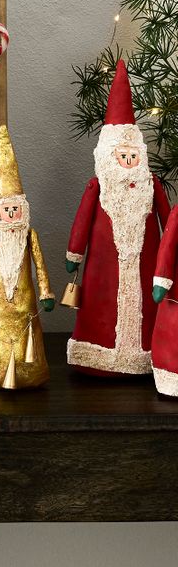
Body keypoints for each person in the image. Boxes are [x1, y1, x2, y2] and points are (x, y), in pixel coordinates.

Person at [65, 60, 170, 376]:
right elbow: (83, 221)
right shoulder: (98, 186)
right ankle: (99, 356)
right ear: (109, 156)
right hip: (102, 268)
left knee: (148, 312)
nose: (128, 161)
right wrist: (75, 254)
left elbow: (168, 218)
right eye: (122, 156)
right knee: (101, 303)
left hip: (147, 265)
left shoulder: (151, 184)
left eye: (132, 156)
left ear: (140, 155)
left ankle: (150, 355)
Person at [0, 125, 55, 389]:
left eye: (17, 209)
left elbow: (40, 266)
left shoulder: (29, 235)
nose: (13, 214)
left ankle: (30, 374)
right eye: (8, 210)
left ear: (23, 208)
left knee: (28, 334)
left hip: (25, 300)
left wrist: (46, 293)